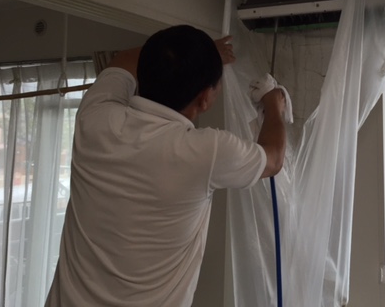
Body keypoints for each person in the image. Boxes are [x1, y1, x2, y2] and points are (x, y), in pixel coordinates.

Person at [45, 25, 286, 307]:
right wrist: (274, 104)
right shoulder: (205, 151)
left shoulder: (96, 116)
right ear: (205, 98)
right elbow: (273, 159)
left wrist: (193, 55)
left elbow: (122, 59)